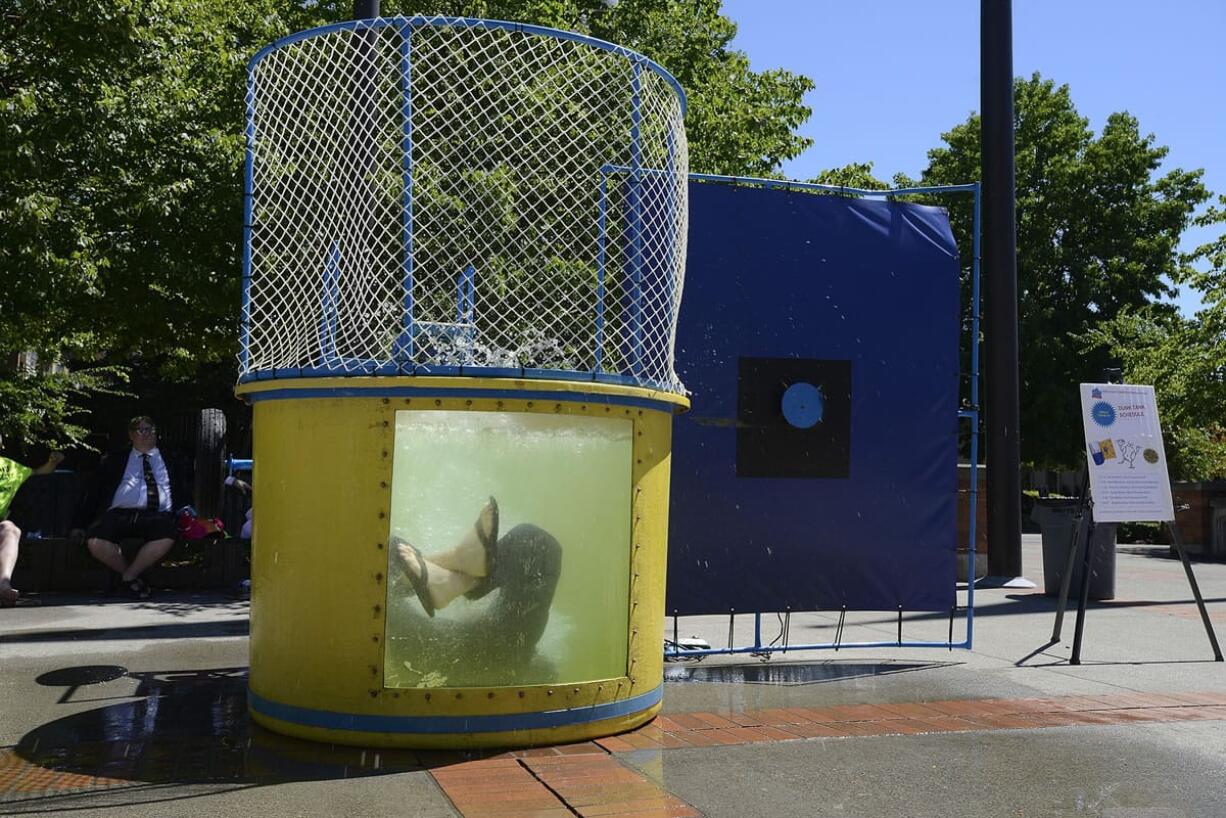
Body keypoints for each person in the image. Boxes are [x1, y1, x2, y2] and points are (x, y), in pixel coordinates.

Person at [390, 496, 563, 672]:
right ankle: (459, 569)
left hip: (467, 646)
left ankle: (457, 573)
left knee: (391, 549)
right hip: (489, 657)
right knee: (535, 542)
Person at [75, 416, 192, 599]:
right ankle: (130, 577)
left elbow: (185, 487)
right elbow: (94, 493)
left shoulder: (173, 459)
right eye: (140, 430)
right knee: (95, 539)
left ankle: (128, 577)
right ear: (131, 435)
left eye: (149, 430)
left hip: (157, 514)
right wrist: (79, 524)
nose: (145, 434)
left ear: (156, 434)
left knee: (168, 533)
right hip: (119, 513)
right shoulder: (114, 459)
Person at [0, 438, 64, 607]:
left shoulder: (10, 468)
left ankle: (3, 584)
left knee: (10, 529)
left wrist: (53, 461)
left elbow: (39, 472)